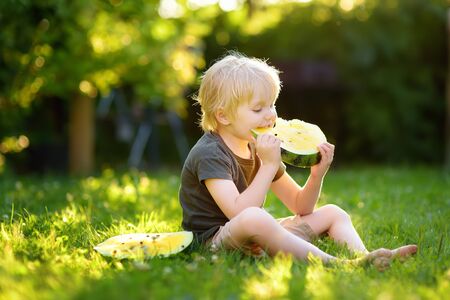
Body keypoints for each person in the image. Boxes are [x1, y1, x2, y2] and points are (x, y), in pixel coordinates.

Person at [178, 52, 417, 270]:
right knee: (256, 217)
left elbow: (301, 207)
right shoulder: (210, 153)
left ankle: (369, 256)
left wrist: (316, 176)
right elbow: (239, 212)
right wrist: (269, 166)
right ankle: (342, 265)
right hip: (213, 243)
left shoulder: (259, 146)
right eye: (258, 108)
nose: (270, 114)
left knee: (333, 212)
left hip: (254, 234)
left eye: (272, 104)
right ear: (223, 115)